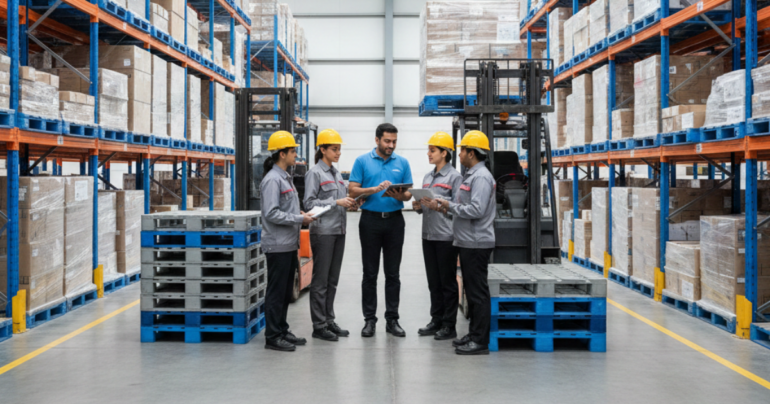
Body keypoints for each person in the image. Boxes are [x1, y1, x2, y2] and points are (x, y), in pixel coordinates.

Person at [428, 130, 496, 355]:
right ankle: (474, 334)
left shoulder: (482, 177)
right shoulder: (471, 175)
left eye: (463, 150)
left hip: (477, 242)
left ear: (471, 152)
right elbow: (462, 201)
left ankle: (480, 341)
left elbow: (476, 209)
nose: (460, 154)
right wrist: (442, 201)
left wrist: (448, 206)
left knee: (477, 293)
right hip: (467, 241)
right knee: (471, 291)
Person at [349, 123, 413, 338]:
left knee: (393, 274)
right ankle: (369, 320)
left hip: (395, 222)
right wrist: (373, 189)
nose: (391, 145)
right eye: (387, 141)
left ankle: (392, 319)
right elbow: (352, 189)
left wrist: (396, 194)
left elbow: (408, 195)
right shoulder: (362, 161)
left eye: (394, 141)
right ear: (377, 140)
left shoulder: (402, 162)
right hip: (370, 221)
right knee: (370, 273)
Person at [260, 130, 316, 352]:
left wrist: (299, 213)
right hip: (277, 245)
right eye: (293, 151)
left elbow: (285, 208)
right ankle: (272, 336)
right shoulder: (272, 180)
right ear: (282, 154)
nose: (296, 155)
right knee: (276, 292)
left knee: (285, 291)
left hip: (288, 243)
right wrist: (299, 218)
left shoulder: (286, 177)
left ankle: (282, 329)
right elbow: (271, 213)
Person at [303, 129, 357, 341]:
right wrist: (335, 202)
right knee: (320, 281)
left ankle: (328, 320)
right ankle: (318, 325)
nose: (338, 153)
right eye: (334, 149)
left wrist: (350, 204)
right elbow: (308, 203)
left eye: (339, 149)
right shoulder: (314, 173)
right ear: (322, 150)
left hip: (339, 231)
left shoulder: (336, 174)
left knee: (332, 280)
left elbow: (341, 200)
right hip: (323, 232)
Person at [413, 132, 463, 340]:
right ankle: (436, 320)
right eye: (429, 150)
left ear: (444, 153)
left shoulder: (455, 177)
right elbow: (424, 206)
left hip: (446, 236)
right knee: (433, 281)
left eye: (432, 150)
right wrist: (418, 206)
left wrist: (440, 206)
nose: (428, 154)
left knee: (447, 282)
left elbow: (460, 208)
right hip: (428, 235)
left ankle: (449, 325)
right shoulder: (427, 177)